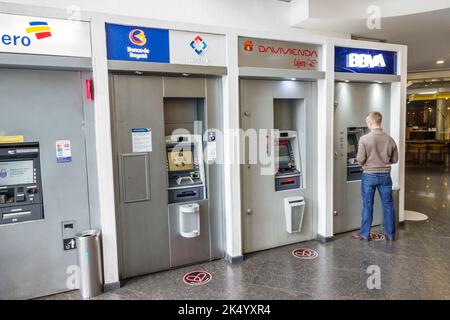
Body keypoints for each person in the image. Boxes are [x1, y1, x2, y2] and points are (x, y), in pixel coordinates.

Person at [352, 112, 399, 241]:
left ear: (370, 123)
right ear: (380, 122)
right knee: (388, 205)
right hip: (385, 176)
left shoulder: (364, 139)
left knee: (367, 205)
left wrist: (362, 162)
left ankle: (365, 234)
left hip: (369, 176)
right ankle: (390, 235)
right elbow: (395, 159)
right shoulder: (390, 139)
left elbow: (360, 159)